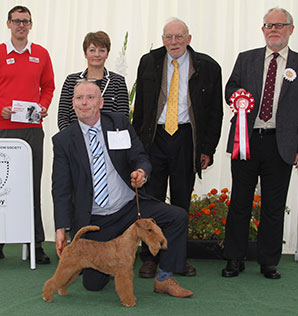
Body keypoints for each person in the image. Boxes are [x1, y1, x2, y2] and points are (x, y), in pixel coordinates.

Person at [52, 80, 194, 298]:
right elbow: (61, 187)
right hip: (96, 220)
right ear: (72, 104)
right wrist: (61, 227)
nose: (84, 103)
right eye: (79, 98)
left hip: (129, 208)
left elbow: (139, 156)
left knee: (177, 216)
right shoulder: (63, 140)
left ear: (100, 102)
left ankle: (165, 278)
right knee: (93, 284)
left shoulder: (118, 122)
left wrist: (141, 172)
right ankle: (113, 262)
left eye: (90, 97)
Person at [132, 18, 223, 278]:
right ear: (163, 39)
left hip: (186, 139)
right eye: (169, 37)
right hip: (155, 139)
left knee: (182, 203)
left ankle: (177, 259)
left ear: (189, 39)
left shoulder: (208, 67)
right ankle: (150, 258)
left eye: (179, 37)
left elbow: (215, 112)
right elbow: (140, 109)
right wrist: (137, 148)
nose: (174, 42)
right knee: (151, 201)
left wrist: (208, 149)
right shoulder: (148, 62)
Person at [222, 7, 298, 279]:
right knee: (239, 202)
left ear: (291, 29)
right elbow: (230, 89)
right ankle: (234, 258)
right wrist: (238, 96)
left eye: (279, 25)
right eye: (269, 25)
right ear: (263, 30)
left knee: (273, 206)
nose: (274, 30)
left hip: (282, 144)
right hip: (246, 140)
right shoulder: (247, 59)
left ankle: (268, 262)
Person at [0, 5, 55, 263]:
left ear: (31, 25)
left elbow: (49, 87)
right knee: (3, 190)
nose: (21, 25)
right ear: (8, 24)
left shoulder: (41, 54)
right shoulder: (0, 53)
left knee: (31, 187)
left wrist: (43, 106)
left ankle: (36, 243)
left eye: (25, 21)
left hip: (32, 131)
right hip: (3, 130)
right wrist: (1, 110)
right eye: (16, 21)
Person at [57, 31, 129, 131]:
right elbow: (63, 117)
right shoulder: (71, 81)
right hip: (75, 141)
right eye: (92, 50)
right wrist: (74, 138)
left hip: (108, 141)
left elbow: (123, 118)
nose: (97, 54)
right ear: (85, 53)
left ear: (107, 54)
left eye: (102, 50)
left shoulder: (118, 82)